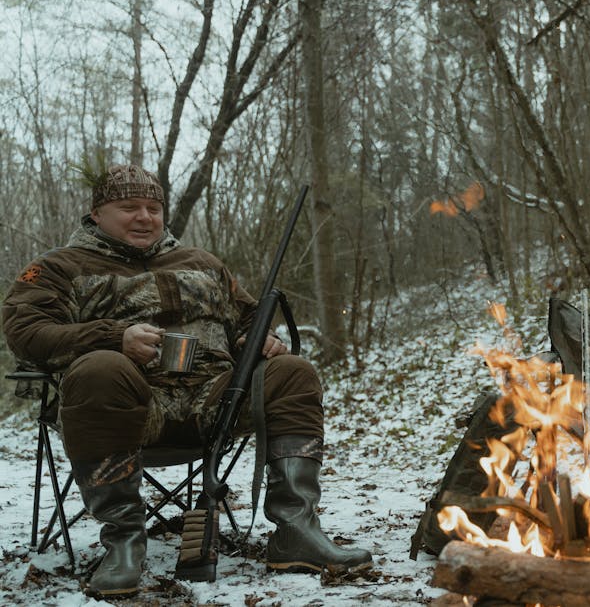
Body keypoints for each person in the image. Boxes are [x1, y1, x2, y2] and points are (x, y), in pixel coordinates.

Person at [2, 164, 372, 597]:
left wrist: (258, 339)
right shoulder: (57, 268)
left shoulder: (202, 263)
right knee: (100, 367)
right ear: (97, 212)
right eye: (129, 207)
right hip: (126, 411)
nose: (145, 217)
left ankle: (296, 529)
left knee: (293, 371)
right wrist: (113, 338)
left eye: (153, 208)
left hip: (216, 403)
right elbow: (26, 332)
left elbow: (251, 315)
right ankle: (123, 541)